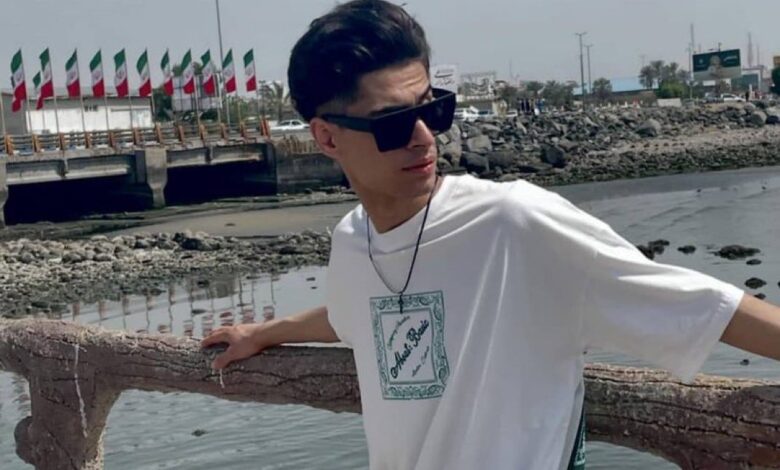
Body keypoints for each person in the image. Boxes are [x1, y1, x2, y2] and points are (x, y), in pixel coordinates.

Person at [202, 1, 780, 468]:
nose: (425, 137)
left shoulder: (516, 223)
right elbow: (353, 312)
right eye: (393, 123)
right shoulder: (354, 240)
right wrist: (265, 331)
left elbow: (708, 306)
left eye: (433, 110)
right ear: (327, 138)